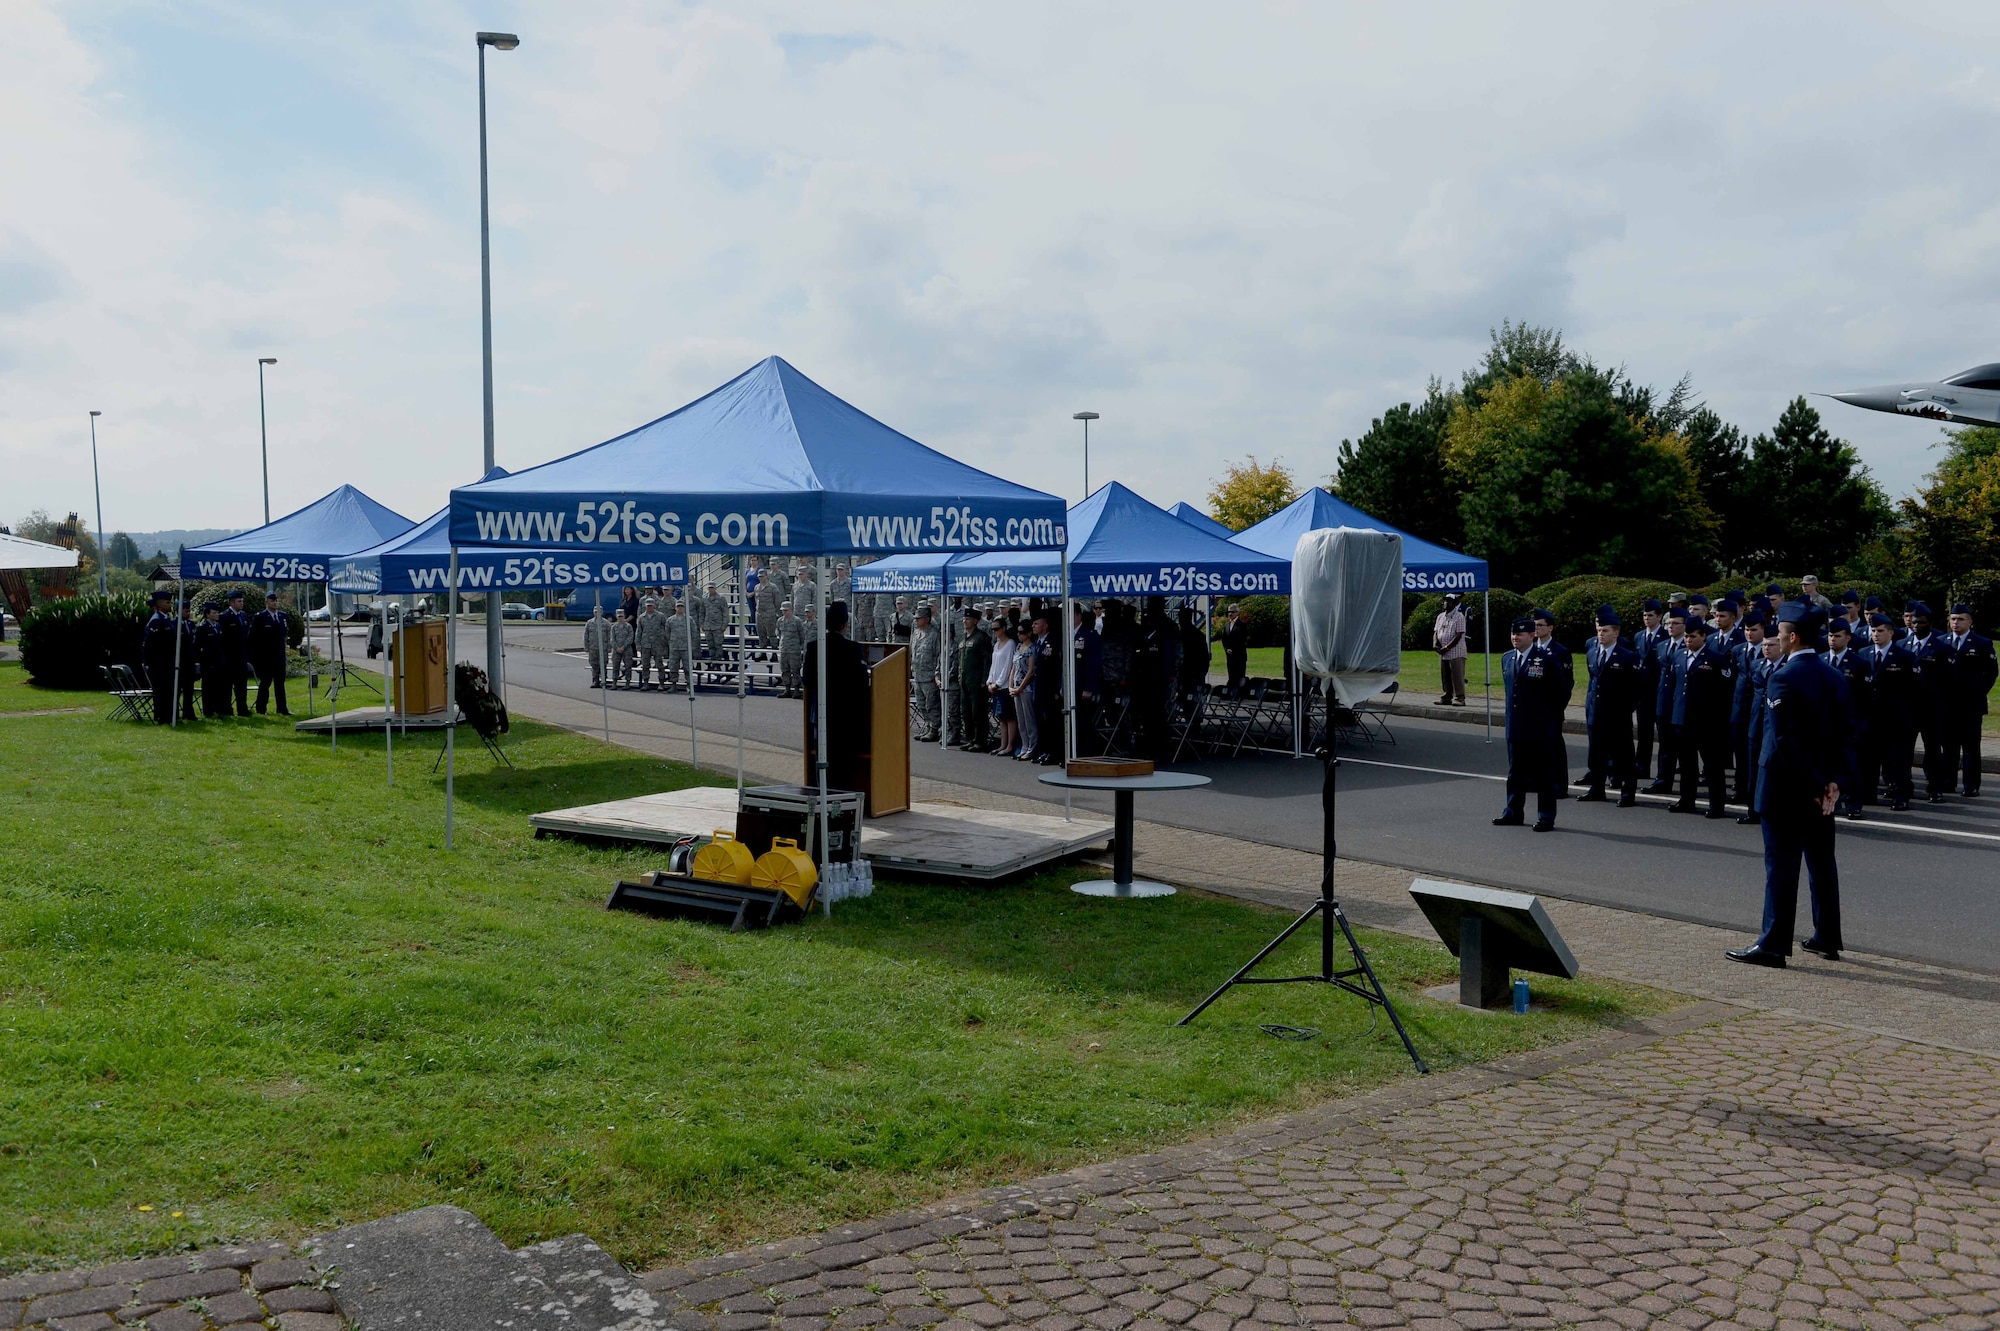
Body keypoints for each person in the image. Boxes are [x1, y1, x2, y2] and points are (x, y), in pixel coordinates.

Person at [1727, 602, 1849, 968]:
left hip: (1786, 788)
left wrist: (1816, 783)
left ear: (1792, 637)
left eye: (1779, 634)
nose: (1775, 639)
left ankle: (1773, 944)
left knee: (1781, 866)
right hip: (1821, 791)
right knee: (1821, 863)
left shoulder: (1783, 677)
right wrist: (1833, 784)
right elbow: (1846, 736)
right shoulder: (1834, 676)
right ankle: (1827, 936)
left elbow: (1784, 741)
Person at [1495, 616, 1571, 831]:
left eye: (1519, 634)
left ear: (1532, 635)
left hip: (1539, 728)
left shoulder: (1546, 659)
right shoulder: (1507, 658)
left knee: (1543, 774)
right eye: (1513, 634)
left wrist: (1548, 719)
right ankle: (1513, 811)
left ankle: (1546, 816)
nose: (1515, 637)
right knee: (1515, 773)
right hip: (1515, 726)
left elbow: (1561, 693)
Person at [1667, 617, 1734, 817]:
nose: (1688, 640)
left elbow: (1725, 692)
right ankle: (1686, 800)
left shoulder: (1716, 659)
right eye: (1686, 636)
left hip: (1707, 722)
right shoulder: (1678, 656)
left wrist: (1719, 721)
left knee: (1712, 766)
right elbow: (1674, 687)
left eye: (1693, 636)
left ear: (1704, 636)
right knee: (1687, 765)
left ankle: (1716, 805)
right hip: (1682, 720)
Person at [804, 602, 872, 793]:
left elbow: (807, 680)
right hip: (845, 716)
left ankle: (823, 798)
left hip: (821, 714)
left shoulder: (813, 646)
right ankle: (842, 805)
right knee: (843, 762)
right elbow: (861, 682)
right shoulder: (852, 648)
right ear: (845, 624)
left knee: (823, 760)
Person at [1577, 606, 1641, 805]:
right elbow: (1593, 683)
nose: (1601, 634)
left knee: (1624, 756)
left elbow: (1635, 688)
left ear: (1616, 632)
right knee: (1596, 754)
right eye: (1599, 631)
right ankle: (1597, 789)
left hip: (1617, 715)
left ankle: (1627, 792)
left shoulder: (1627, 656)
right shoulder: (1592, 653)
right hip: (1596, 712)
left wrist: (1625, 709)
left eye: (1605, 631)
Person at [1858, 613, 1916, 811]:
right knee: (1869, 759)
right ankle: (1868, 793)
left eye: (1880, 631)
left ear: (1891, 633)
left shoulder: (1904, 657)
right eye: (1873, 631)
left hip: (1895, 718)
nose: (1876, 635)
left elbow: (1913, 689)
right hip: (1871, 716)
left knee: (1898, 760)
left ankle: (1901, 795)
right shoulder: (1863, 654)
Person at [1902, 602, 1955, 802]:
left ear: (1929, 624)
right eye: (1914, 622)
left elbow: (1950, 681)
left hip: (1932, 708)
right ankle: (1904, 786)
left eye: (1921, 623)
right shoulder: (1903, 645)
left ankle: (1935, 787)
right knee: (1905, 750)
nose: (1916, 626)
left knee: (1933, 750)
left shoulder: (1942, 648)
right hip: (1908, 708)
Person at [1944, 603, 1996, 796]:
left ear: (1970, 622)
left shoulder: (1982, 643)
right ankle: (1948, 782)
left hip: (1970, 705)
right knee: (1949, 745)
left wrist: (1977, 693)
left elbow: (1991, 673)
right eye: (1953, 619)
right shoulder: (1943, 641)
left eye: (1960, 619)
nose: (1956, 623)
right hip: (1947, 705)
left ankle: (1971, 784)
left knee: (1970, 747)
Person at [1821, 617, 1868, 818]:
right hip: (1825, 723)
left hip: (1848, 722)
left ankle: (1854, 802)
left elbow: (1865, 699)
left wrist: (1860, 726)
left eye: (1837, 636)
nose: (1833, 640)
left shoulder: (1859, 663)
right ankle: (1831, 801)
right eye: (1830, 635)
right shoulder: (1820, 660)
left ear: (1848, 638)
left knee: (1851, 765)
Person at [1728, 612, 1770, 813]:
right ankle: (1740, 787)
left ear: (1763, 630)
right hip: (1739, 708)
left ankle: (1754, 791)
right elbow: (1734, 679)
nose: (1749, 634)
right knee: (1740, 752)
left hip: (1758, 710)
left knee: (1755, 754)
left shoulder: (1769, 651)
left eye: (1754, 630)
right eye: (1746, 630)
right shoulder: (1737, 650)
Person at [1644, 610, 1688, 794]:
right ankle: (1663, 779)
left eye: (1676, 623)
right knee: (1665, 745)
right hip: (1663, 701)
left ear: (1684, 626)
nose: (1671, 626)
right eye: (1669, 623)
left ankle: (1687, 785)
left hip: (1681, 703)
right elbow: (1655, 675)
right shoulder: (1661, 646)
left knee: (1684, 747)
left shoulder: (1688, 646)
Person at [1631, 599, 1668, 781]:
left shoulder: (1665, 636)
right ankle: (1642, 766)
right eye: (1645, 615)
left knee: (1663, 735)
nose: (1647, 618)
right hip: (1643, 693)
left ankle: (1663, 771)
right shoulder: (1638, 637)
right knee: (1644, 733)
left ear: (1659, 617)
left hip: (1659, 691)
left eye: (1650, 615)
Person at [955, 607, 993, 751]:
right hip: (964, 679)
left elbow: (986, 660)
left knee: (978, 712)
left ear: (975, 621)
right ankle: (971, 739)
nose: (965, 621)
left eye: (968, 619)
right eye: (964, 619)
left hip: (977, 681)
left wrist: (984, 679)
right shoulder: (963, 638)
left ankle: (980, 740)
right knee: (966, 712)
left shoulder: (981, 637)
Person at [250, 591, 291, 716]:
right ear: (266, 602)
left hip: (279, 655)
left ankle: (282, 708)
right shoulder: (260, 617)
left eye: (276, 600)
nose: (275, 603)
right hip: (265, 656)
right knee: (265, 682)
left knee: (280, 683)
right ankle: (261, 708)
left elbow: (284, 634)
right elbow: (253, 637)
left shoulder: (283, 616)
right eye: (272, 600)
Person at [141, 589, 178, 724]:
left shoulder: (165, 619)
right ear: (160, 604)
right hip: (159, 663)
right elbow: (150, 644)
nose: (170, 605)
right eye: (167, 602)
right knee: (161, 691)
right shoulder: (156, 621)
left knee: (168, 690)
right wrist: (151, 662)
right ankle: (161, 717)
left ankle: (169, 715)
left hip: (167, 662)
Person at [1073, 602, 1103, 757]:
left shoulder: (1088, 636)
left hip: (1082, 686)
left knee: (1084, 721)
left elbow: (1092, 664)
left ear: (1079, 615)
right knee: (1072, 721)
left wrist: (1088, 687)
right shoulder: (1068, 634)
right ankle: (1073, 751)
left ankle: (1086, 753)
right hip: (1070, 685)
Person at [987, 618, 1020, 756]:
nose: (994, 632)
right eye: (992, 629)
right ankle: (1003, 744)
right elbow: (994, 665)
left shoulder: (1010, 644)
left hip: (1005, 686)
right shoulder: (996, 644)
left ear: (1003, 628)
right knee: (1001, 717)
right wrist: (990, 681)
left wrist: (998, 683)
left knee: (1009, 717)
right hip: (995, 686)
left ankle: (1010, 745)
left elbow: (1008, 666)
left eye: (996, 629)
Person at [909, 605, 941, 741]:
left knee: (931, 704)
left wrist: (937, 674)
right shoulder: (915, 633)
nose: (916, 620)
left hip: (929, 676)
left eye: (919, 618)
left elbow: (939, 655)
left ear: (927, 619)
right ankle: (927, 726)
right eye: (916, 618)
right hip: (917, 674)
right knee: (921, 704)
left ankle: (934, 729)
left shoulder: (934, 635)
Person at [219, 589, 252, 716]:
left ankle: (242, 709)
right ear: (232, 602)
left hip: (241, 657)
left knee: (241, 686)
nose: (241, 603)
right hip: (229, 657)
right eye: (239, 601)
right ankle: (227, 709)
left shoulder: (243, 615)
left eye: (242, 601)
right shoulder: (224, 617)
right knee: (227, 686)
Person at [1433, 593, 1469, 706]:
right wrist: (1436, 643)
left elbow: (1458, 635)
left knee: (1457, 675)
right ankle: (1447, 695)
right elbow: (1436, 631)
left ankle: (1460, 697)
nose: (1446, 603)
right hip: (1443, 652)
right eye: (1445, 601)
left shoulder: (1459, 617)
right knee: (1445, 675)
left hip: (1456, 651)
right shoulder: (1440, 616)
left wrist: (1447, 647)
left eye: (1449, 601)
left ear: (1454, 603)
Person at [196, 604, 230, 718]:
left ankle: (219, 708)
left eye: (217, 612)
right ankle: (208, 710)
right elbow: (198, 646)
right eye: (213, 613)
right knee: (208, 688)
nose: (216, 615)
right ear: (207, 614)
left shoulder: (218, 626)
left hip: (219, 662)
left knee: (219, 686)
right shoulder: (203, 627)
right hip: (208, 663)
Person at [776, 601, 805, 697]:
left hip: (794, 649)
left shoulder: (797, 621)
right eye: (783, 610)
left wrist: (797, 645)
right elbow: (779, 634)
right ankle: (787, 689)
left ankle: (797, 690)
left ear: (791, 610)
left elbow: (802, 635)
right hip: (784, 649)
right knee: (784, 670)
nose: (784, 612)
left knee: (795, 670)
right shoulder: (780, 620)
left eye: (786, 610)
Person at [1221, 603, 1251, 694]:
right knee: (1231, 674)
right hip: (1229, 656)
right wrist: (1227, 649)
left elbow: (1242, 639)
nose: (1230, 614)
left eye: (1232, 612)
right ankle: (1231, 692)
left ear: (1238, 613)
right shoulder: (1227, 625)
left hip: (1239, 655)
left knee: (1239, 675)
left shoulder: (1242, 625)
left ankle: (1239, 693)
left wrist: (1233, 649)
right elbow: (1224, 639)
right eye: (1229, 612)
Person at [584, 602, 608, 688]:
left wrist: (609, 646)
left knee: (603, 664)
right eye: (595, 612)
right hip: (593, 647)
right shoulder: (589, 623)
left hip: (603, 648)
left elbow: (610, 636)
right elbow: (586, 635)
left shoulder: (606, 623)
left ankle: (604, 680)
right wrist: (586, 646)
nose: (597, 613)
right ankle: (595, 680)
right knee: (594, 665)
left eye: (598, 612)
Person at [610, 608, 634, 688]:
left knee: (628, 666)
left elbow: (630, 637)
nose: (620, 618)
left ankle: (627, 682)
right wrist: (617, 647)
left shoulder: (628, 626)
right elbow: (612, 638)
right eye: (619, 616)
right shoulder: (614, 627)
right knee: (615, 666)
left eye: (621, 616)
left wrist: (624, 646)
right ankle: (614, 682)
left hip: (626, 649)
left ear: (624, 616)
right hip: (616, 649)